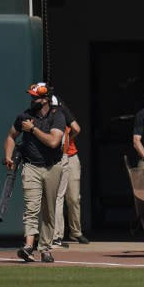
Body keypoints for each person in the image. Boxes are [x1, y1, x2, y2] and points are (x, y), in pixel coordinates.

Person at [5, 82, 66, 263]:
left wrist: (32, 129)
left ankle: (45, 248)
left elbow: (54, 142)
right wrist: (8, 156)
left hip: (52, 167)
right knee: (31, 207)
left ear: (46, 99)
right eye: (32, 96)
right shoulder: (24, 116)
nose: (33, 99)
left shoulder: (58, 117)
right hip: (31, 166)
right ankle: (28, 246)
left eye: (36, 97)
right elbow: (10, 136)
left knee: (49, 210)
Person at [51, 96, 89, 246]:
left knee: (73, 198)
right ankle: (56, 235)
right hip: (57, 158)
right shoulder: (44, 116)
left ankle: (76, 232)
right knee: (57, 198)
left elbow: (77, 129)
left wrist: (67, 139)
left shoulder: (62, 112)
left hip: (71, 155)